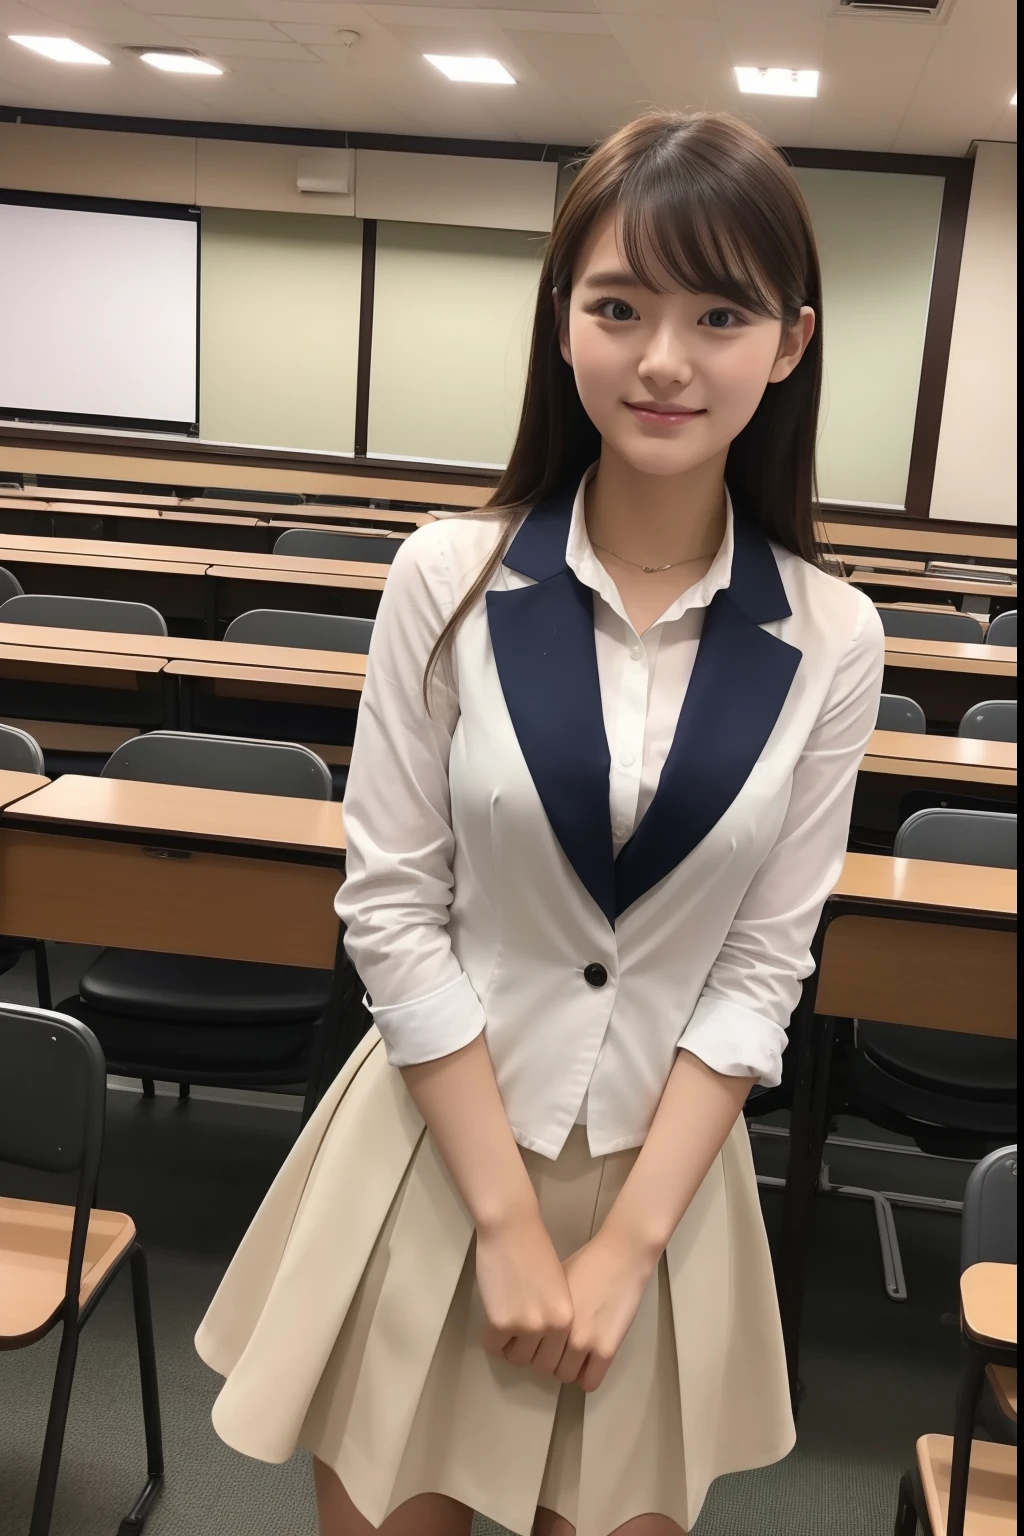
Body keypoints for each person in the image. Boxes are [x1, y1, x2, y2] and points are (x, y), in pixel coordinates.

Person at [196, 108, 885, 1536]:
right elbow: (389, 908)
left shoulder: (833, 634)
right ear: (561, 318)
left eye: (720, 313)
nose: (664, 359)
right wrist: (507, 1224)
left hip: (664, 1194)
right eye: (619, 305)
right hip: (435, 1169)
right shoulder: (444, 579)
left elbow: (765, 965)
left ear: (792, 342)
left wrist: (630, 1247)